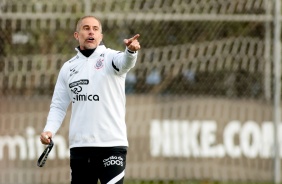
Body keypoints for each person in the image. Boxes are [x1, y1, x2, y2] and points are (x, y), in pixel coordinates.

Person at [40, 15, 141, 184]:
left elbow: (125, 63)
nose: (91, 32)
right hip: (80, 147)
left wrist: (131, 51)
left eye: (95, 29)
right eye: (86, 28)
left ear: (101, 36)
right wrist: (49, 130)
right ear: (77, 34)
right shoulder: (68, 67)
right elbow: (58, 105)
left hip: (111, 145)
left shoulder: (110, 57)